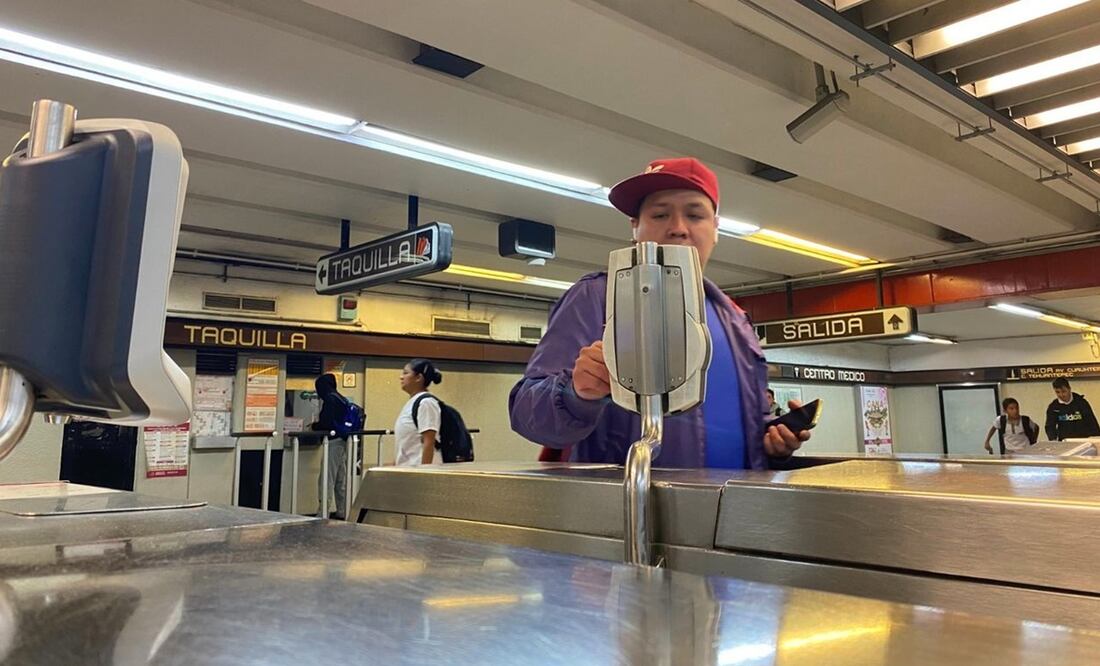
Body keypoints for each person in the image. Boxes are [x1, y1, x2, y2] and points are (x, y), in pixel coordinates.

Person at [510, 157, 810, 469]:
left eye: (695, 215)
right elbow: (526, 414)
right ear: (635, 227)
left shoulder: (734, 320)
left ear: (716, 229)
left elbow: (746, 422)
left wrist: (773, 441)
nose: (678, 228)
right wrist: (576, 393)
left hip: (737, 509)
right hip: (633, 507)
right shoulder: (598, 297)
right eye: (660, 214)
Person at [312, 373, 349, 519]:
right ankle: (343, 510)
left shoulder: (330, 400)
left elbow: (326, 423)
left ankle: (323, 512)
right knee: (341, 479)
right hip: (343, 441)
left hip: (332, 442)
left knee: (327, 477)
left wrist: (315, 426)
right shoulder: (341, 398)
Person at [394, 359, 443, 467]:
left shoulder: (426, 403)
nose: (401, 377)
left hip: (418, 471)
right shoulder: (413, 402)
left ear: (418, 378)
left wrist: (423, 472)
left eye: (406, 373)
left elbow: (429, 441)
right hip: (408, 469)